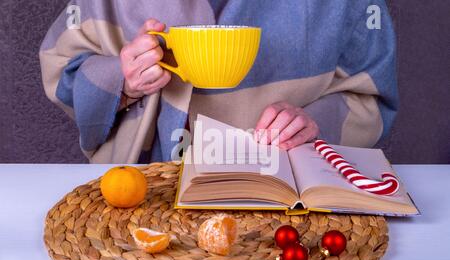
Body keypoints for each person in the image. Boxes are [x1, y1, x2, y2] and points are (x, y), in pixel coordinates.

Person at [40, 0, 398, 164]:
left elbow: (372, 99)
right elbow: (62, 72)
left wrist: (317, 125)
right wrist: (123, 80)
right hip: (142, 202)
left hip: (285, 203)